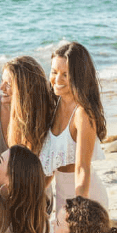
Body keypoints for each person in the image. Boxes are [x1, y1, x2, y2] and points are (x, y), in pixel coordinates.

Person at [41, 42, 109, 215]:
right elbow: (53, 164)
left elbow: (82, 168)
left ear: (79, 77)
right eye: (54, 72)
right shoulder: (54, 106)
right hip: (62, 199)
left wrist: (80, 209)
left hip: (85, 198)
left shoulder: (83, 114)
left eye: (65, 74)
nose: (57, 80)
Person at [0, 56, 54, 173]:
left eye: (8, 84)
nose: (1, 88)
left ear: (25, 88)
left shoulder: (45, 114)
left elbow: (50, 168)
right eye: (1, 81)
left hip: (34, 186)